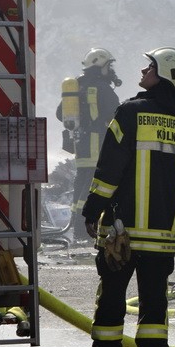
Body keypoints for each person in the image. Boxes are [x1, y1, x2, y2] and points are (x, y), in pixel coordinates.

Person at [82, 48, 175, 347]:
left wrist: (93, 209)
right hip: (161, 232)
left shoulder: (130, 112)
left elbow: (110, 169)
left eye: (152, 65)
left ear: (167, 74)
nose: (145, 68)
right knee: (153, 301)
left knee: (113, 298)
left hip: (122, 228)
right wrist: (169, 215)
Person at [56, 48, 121, 240]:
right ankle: (84, 231)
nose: (110, 70)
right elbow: (117, 116)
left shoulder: (77, 85)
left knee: (81, 187)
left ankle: (77, 229)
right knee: (92, 188)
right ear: (99, 65)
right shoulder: (103, 89)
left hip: (81, 145)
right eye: (108, 65)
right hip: (97, 145)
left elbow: (61, 114)